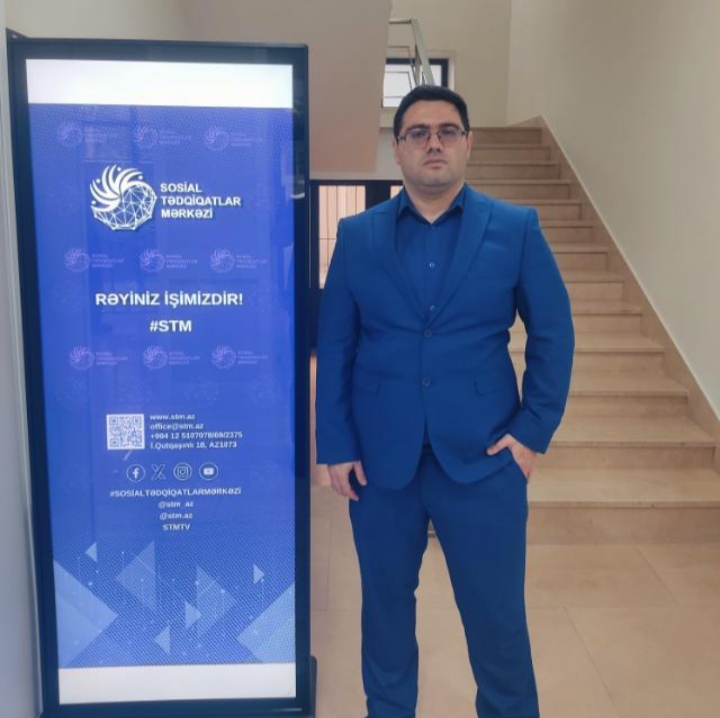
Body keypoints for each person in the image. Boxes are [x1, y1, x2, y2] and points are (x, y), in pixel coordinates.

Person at [315, 85, 574, 718]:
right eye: (418, 132)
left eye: (447, 131)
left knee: (497, 621)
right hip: (380, 465)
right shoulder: (357, 234)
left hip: (485, 460)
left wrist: (532, 431)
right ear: (398, 149)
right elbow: (336, 344)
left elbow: (553, 333)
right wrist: (337, 444)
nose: (434, 143)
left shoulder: (515, 228)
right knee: (384, 615)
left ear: (467, 144)